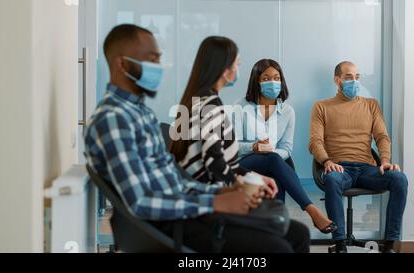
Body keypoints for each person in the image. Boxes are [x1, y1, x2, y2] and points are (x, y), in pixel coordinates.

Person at [84, 24, 310, 253]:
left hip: (187, 211)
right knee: (279, 247)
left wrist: (222, 193)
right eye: (151, 60)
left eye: (159, 60)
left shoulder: (140, 113)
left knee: (298, 234)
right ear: (121, 64)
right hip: (173, 225)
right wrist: (215, 202)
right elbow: (140, 202)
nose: (159, 68)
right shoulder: (114, 119)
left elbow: (176, 181)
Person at [309, 61, 408, 253]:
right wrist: (327, 162)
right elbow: (315, 141)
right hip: (339, 168)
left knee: (399, 179)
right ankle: (340, 244)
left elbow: (382, 137)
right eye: (348, 77)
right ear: (337, 80)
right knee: (331, 179)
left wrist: (386, 161)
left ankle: (389, 245)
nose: (354, 81)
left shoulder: (371, 105)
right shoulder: (321, 107)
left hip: (366, 169)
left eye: (357, 77)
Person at [233, 59, 337, 234]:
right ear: (256, 81)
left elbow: (286, 148)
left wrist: (269, 153)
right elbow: (232, 146)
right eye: (266, 78)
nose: (272, 82)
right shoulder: (240, 106)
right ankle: (311, 210)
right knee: (276, 161)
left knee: (276, 162)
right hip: (243, 164)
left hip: (273, 162)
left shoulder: (287, 111)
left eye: (276, 78)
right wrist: (255, 148)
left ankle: (276, 226)